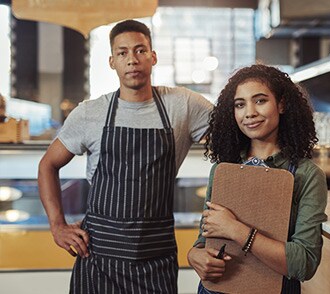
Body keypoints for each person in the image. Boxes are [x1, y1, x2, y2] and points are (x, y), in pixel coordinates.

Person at [38, 19, 212, 293]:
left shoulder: (184, 105)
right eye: (122, 53)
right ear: (112, 61)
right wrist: (57, 225)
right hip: (98, 258)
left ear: (153, 57)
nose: (132, 60)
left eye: (140, 50)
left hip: (156, 257)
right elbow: (48, 165)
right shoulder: (90, 113)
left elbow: (231, 138)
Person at [187, 64, 328, 293]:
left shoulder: (307, 175)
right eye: (240, 105)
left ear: (281, 105)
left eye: (260, 101)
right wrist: (194, 255)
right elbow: (205, 239)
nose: (249, 112)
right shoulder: (223, 170)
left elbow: (304, 263)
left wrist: (235, 229)